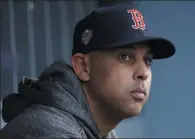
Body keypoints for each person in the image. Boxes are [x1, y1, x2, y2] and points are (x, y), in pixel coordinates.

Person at [0, 4, 175, 138]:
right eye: (125, 56)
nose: (143, 72)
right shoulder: (49, 132)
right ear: (83, 67)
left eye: (147, 60)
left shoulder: (100, 131)